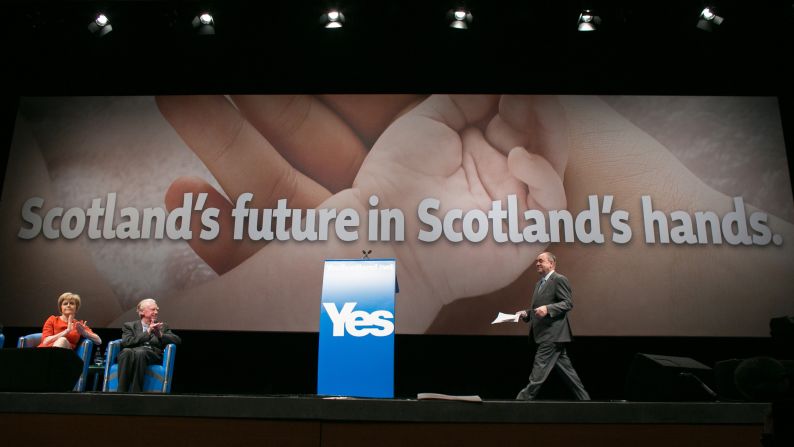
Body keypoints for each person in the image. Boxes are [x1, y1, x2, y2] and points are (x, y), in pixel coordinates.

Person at [515, 252, 590, 400]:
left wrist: (548, 309)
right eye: (536, 261)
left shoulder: (559, 279)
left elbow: (567, 303)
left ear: (551, 263)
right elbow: (539, 309)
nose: (537, 263)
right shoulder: (539, 283)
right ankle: (586, 402)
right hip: (547, 334)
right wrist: (527, 314)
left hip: (551, 335)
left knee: (538, 373)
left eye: (540, 261)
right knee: (570, 375)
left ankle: (519, 403)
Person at [117, 298, 181, 393]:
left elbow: (177, 340)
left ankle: (135, 393)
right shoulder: (129, 326)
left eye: (157, 310)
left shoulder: (162, 326)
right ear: (142, 312)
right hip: (132, 352)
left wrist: (160, 335)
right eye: (153, 309)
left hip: (152, 354)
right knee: (125, 352)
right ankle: (120, 393)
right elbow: (127, 342)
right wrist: (148, 332)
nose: (156, 312)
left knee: (140, 353)